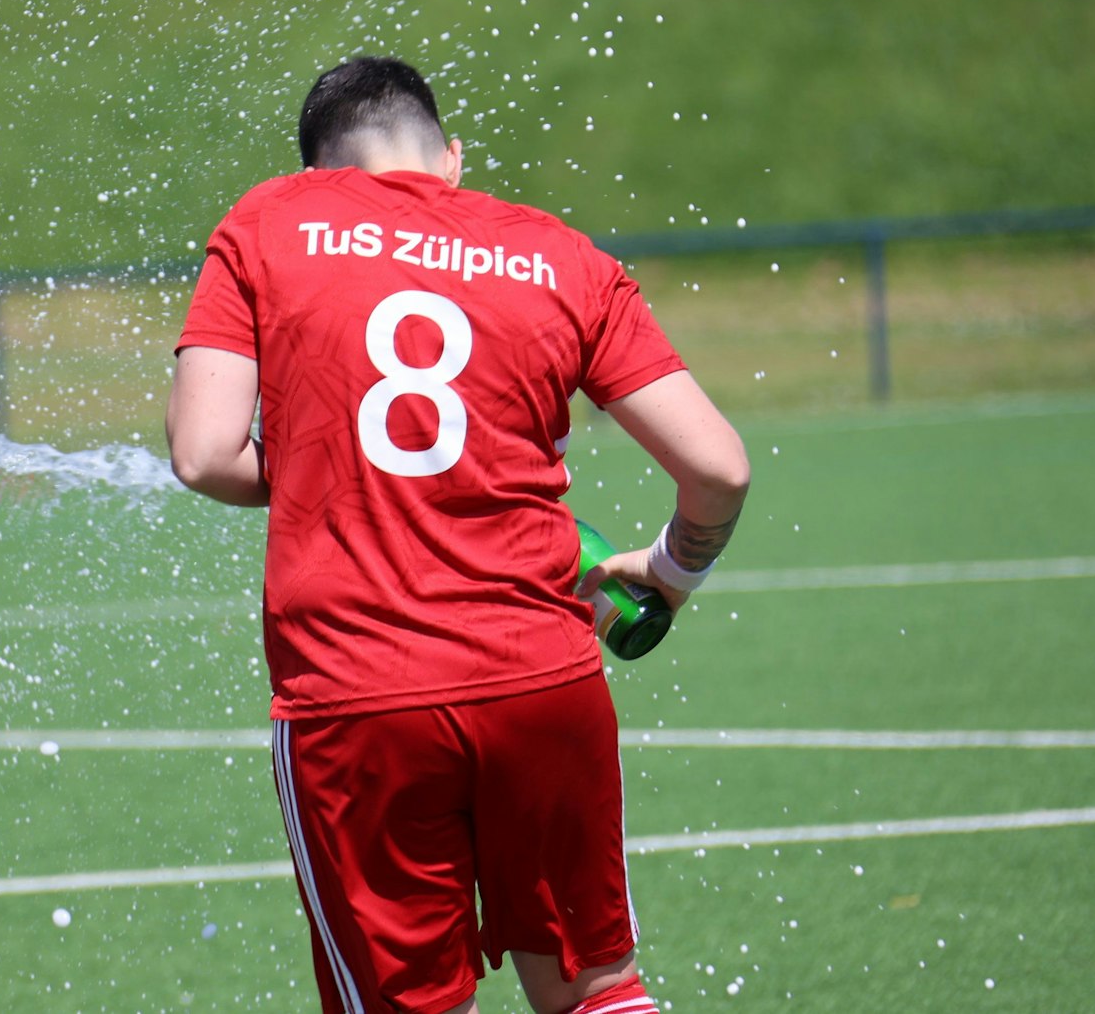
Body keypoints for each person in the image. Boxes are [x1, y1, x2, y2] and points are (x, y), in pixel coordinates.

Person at [166, 57, 749, 1014]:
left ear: (321, 173)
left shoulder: (270, 220)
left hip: (358, 695)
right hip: (545, 678)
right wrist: (674, 571)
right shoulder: (559, 254)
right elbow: (719, 467)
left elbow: (201, 453)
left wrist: (331, 467)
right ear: (452, 158)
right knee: (598, 988)